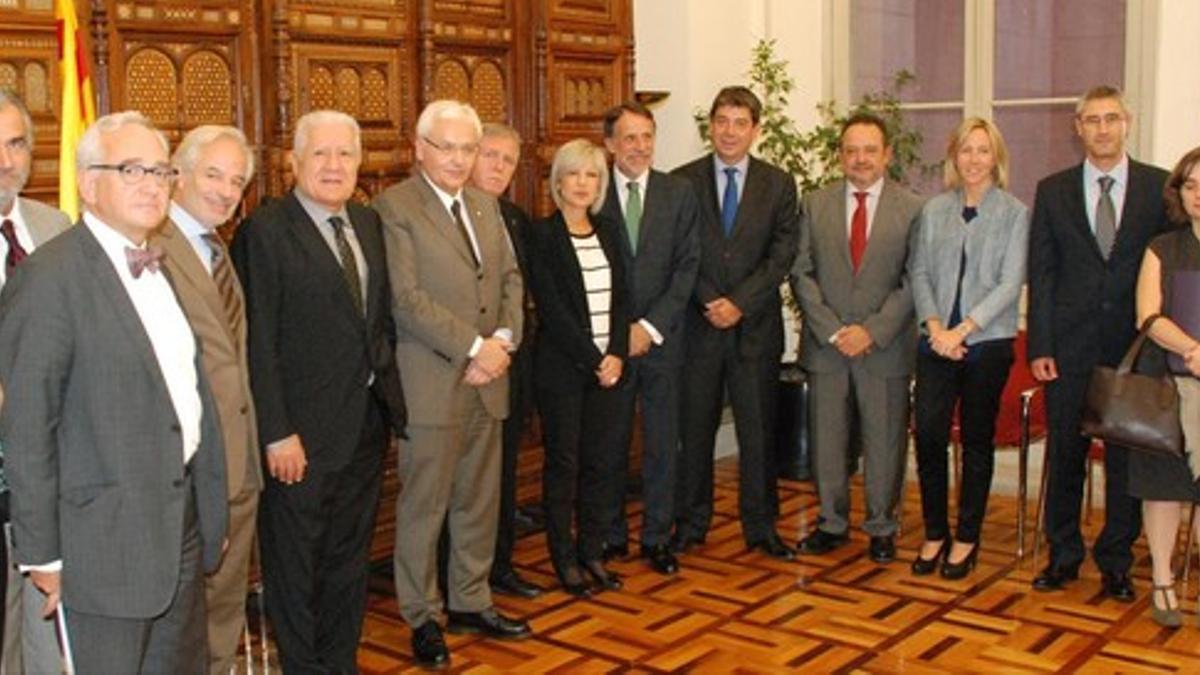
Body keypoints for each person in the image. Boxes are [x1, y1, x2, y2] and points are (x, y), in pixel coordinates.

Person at [0, 111, 228, 671]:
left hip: (179, 530)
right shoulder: (49, 278)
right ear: (89, 183)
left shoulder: (160, 264)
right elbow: (29, 426)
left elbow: (188, 396)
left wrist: (211, 510)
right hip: (99, 547)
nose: (152, 184)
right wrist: (42, 555)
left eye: (160, 170)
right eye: (131, 169)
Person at [231, 110, 407, 672]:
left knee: (348, 561)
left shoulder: (367, 223)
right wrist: (276, 430)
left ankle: (340, 662)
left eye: (345, 155)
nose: (334, 166)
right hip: (298, 440)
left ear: (360, 163)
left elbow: (374, 324)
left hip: (363, 429)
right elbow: (257, 343)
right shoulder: (266, 230)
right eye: (321, 154)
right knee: (296, 567)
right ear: (294, 163)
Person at [373, 100, 529, 670]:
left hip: (488, 380)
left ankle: (471, 598)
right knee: (425, 508)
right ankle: (422, 615)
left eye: (468, 148)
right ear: (419, 149)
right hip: (432, 382)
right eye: (448, 147)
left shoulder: (487, 207)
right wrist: (474, 346)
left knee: (477, 501)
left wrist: (503, 343)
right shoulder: (394, 208)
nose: (460, 159)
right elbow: (406, 299)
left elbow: (511, 280)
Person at [1027, 85, 1170, 600]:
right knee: (1065, 453)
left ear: (1127, 122)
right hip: (1067, 349)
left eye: (1111, 118)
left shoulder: (1159, 188)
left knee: (1126, 461)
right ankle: (1063, 555)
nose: (1102, 128)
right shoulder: (1053, 189)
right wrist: (1040, 345)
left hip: (1134, 351)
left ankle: (1116, 561)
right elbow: (1040, 273)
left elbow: (1171, 266)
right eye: (1092, 120)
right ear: (1078, 127)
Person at [149, 124, 260, 674]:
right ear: (179, 174)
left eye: (237, 182)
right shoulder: (151, 246)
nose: (224, 191)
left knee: (223, 613)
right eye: (213, 175)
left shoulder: (219, 247)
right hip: (189, 473)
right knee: (182, 623)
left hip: (238, 468)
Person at [672, 86, 800, 559]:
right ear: (711, 126)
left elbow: (781, 254)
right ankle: (691, 523)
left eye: (739, 123)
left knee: (759, 433)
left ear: (756, 130)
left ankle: (762, 527)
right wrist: (711, 299)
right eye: (721, 121)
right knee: (696, 429)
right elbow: (681, 252)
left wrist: (739, 302)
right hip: (699, 327)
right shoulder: (681, 182)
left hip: (755, 330)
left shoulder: (779, 184)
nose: (729, 131)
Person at [792, 112, 923, 564]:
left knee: (885, 441)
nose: (860, 159)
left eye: (870, 150)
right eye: (851, 150)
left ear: (886, 154)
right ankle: (831, 523)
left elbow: (914, 280)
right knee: (827, 440)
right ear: (839, 156)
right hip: (827, 346)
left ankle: (882, 527)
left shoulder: (913, 208)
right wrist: (832, 330)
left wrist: (872, 330)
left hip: (882, 347)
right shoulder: (815, 204)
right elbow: (801, 272)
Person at [908, 118, 1028, 579]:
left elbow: (1009, 282)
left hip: (987, 343)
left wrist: (963, 331)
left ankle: (967, 538)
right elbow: (919, 273)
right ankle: (935, 532)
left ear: (995, 158)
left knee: (976, 440)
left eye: (983, 150)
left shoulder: (1014, 213)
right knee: (931, 435)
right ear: (953, 157)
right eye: (966, 150)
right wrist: (937, 328)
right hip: (935, 340)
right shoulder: (934, 210)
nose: (974, 159)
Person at [598, 102, 699, 574]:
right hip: (610, 346)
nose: (639, 147)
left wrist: (650, 328)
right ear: (610, 144)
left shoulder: (679, 194)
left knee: (663, 444)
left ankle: (657, 536)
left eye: (646, 137)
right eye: (629, 138)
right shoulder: (593, 193)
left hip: (665, 342)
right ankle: (611, 534)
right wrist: (622, 333)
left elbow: (687, 269)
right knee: (611, 442)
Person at [526, 138, 630, 597]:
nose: (583, 183)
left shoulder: (609, 230)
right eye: (574, 174)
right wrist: (595, 360)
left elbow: (625, 298)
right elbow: (553, 311)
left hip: (610, 370)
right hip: (564, 371)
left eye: (592, 175)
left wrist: (618, 356)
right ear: (558, 182)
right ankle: (564, 559)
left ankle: (592, 551)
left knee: (602, 465)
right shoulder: (543, 235)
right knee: (564, 465)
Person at [0, 91, 69, 674]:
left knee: (47, 646)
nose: (4, 160)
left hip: (49, 481)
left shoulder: (54, 227)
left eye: (16, 143)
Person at [466, 122, 542, 599]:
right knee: (465, 485)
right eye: (489, 155)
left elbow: (521, 292)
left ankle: (500, 566)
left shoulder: (515, 219)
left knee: (504, 473)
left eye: (508, 160)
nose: (498, 167)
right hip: (463, 370)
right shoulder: (445, 218)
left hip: (511, 369)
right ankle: (459, 579)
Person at [1129, 146, 1200, 628]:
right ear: (1179, 193)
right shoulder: (1162, 247)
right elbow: (1148, 315)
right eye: (1191, 185)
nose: (1199, 195)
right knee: (1164, 489)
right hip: (1166, 386)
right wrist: (1196, 350)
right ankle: (1161, 580)